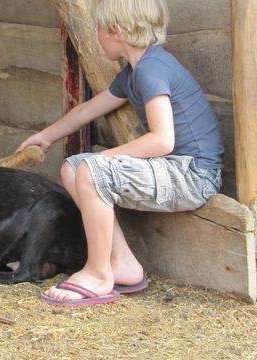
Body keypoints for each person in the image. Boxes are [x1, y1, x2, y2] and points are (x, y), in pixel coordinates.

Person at [15, 0, 224, 306]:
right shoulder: (134, 72)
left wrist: (102, 160)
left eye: (99, 29)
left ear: (115, 31)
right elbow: (89, 108)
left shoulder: (152, 70)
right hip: (176, 170)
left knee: (91, 169)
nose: (97, 35)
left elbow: (162, 140)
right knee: (73, 167)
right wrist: (45, 136)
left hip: (194, 174)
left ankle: (99, 275)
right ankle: (123, 263)